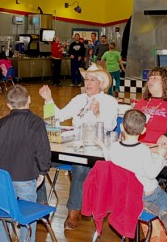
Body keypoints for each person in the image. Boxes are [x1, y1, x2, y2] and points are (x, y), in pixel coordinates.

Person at [38, 64, 118, 230]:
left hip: (94, 151)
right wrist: (48, 99)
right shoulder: (79, 99)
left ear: (101, 84)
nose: (87, 83)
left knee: (81, 167)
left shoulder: (109, 101)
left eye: (92, 80)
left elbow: (110, 126)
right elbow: (57, 117)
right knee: (38, 159)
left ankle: (74, 210)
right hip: (71, 146)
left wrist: (97, 114)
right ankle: (41, 204)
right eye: (86, 79)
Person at [100, 109, 167, 234]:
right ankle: (163, 211)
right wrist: (162, 156)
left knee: (152, 195)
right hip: (146, 193)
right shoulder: (143, 150)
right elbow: (152, 173)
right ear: (143, 131)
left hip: (124, 194)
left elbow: (109, 163)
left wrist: (103, 148)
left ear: (121, 127)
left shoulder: (114, 147)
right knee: (163, 197)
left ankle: (144, 205)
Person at [0, 85, 51, 242]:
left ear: (8, 105)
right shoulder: (36, 122)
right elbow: (42, 149)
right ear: (29, 99)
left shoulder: (1, 123)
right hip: (25, 177)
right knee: (27, 217)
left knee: (4, 214)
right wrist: (43, 171)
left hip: (2, 178)